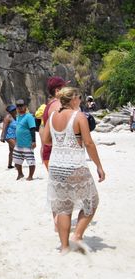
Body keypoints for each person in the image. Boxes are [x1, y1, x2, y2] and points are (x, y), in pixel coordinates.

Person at [42, 87, 105, 254]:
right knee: (92, 201)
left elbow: (46, 139)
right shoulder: (79, 116)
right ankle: (77, 235)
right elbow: (89, 143)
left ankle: (64, 247)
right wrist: (99, 166)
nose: (80, 100)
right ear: (72, 100)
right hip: (74, 164)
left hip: (56, 166)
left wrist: (60, 143)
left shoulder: (53, 116)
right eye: (78, 97)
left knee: (63, 206)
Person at [41, 76, 67, 169]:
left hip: (50, 152)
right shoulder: (58, 105)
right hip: (56, 153)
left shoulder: (49, 105)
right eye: (65, 88)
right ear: (57, 91)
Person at [13, 100, 37, 181]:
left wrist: (34, 141)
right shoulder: (18, 116)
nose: (20, 107)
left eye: (21, 106)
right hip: (18, 143)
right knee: (17, 160)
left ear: (25, 106)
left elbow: (33, 129)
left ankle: (30, 176)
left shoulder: (29, 116)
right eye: (18, 106)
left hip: (27, 142)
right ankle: (20, 174)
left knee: (30, 160)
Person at [0, 105, 18, 169]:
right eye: (14, 110)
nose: (16, 111)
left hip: (15, 135)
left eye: (15, 109)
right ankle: (17, 164)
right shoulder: (8, 117)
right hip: (9, 136)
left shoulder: (16, 117)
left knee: (12, 151)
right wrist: (2, 136)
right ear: (10, 111)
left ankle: (9, 165)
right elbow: (4, 127)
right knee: (16, 149)